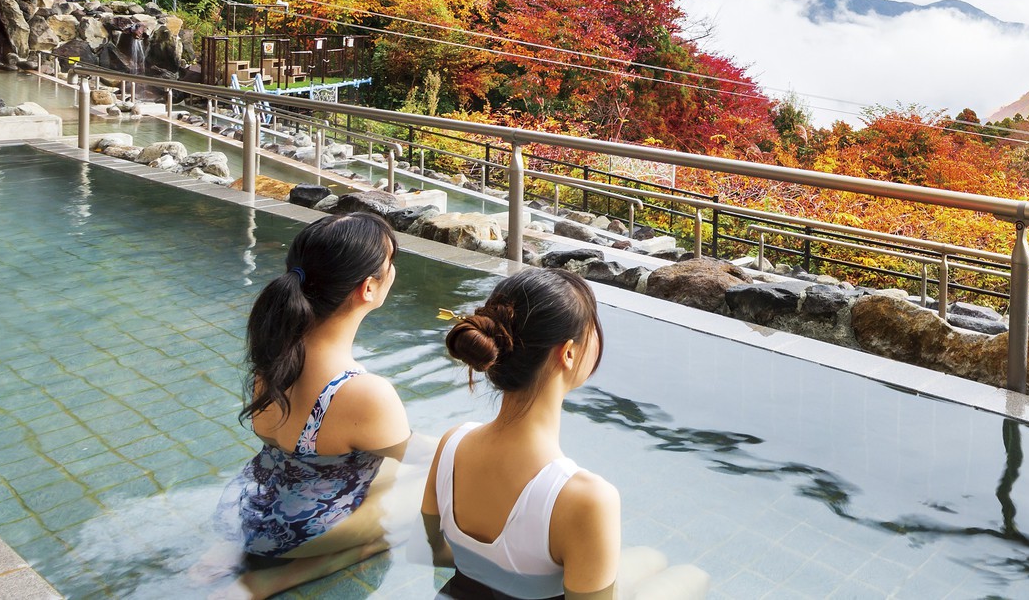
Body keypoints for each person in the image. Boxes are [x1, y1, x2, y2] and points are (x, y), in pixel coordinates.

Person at [425, 269, 707, 600]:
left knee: (651, 559)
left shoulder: (452, 445)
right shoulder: (585, 499)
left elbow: (438, 552)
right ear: (568, 353)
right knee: (692, 575)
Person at [211, 211, 412, 599]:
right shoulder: (365, 393)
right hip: (299, 534)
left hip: (244, 510)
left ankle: (232, 552)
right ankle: (269, 580)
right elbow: (434, 463)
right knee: (435, 499)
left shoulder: (274, 357)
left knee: (382, 468)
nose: (393, 271)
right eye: (392, 263)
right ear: (368, 288)